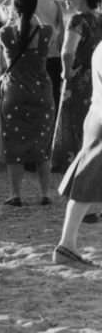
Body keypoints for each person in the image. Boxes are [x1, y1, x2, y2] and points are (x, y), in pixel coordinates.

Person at [0, 0, 54, 206]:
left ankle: (15, 195)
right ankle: (45, 194)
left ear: (15, 7)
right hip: (42, 92)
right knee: (42, 146)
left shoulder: (5, 33)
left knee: (14, 146)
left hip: (15, 93)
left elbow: (2, 59)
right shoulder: (47, 31)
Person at [55, 40, 102, 265]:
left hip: (95, 116)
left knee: (85, 182)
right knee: (85, 183)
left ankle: (67, 244)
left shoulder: (100, 47)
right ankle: (66, 245)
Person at [50, 0, 102, 174]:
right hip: (97, 80)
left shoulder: (77, 20)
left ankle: (75, 170)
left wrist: (66, 72)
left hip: (79, 81)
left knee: (74, 125)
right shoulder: (100, 19)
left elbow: (67, 52)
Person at [0, 0, 64, 108]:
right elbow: (61, 33)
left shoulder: (28, 2)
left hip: (31, 57)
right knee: (53, 99)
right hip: (53, 57)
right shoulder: (56, 5)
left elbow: (1, 10)